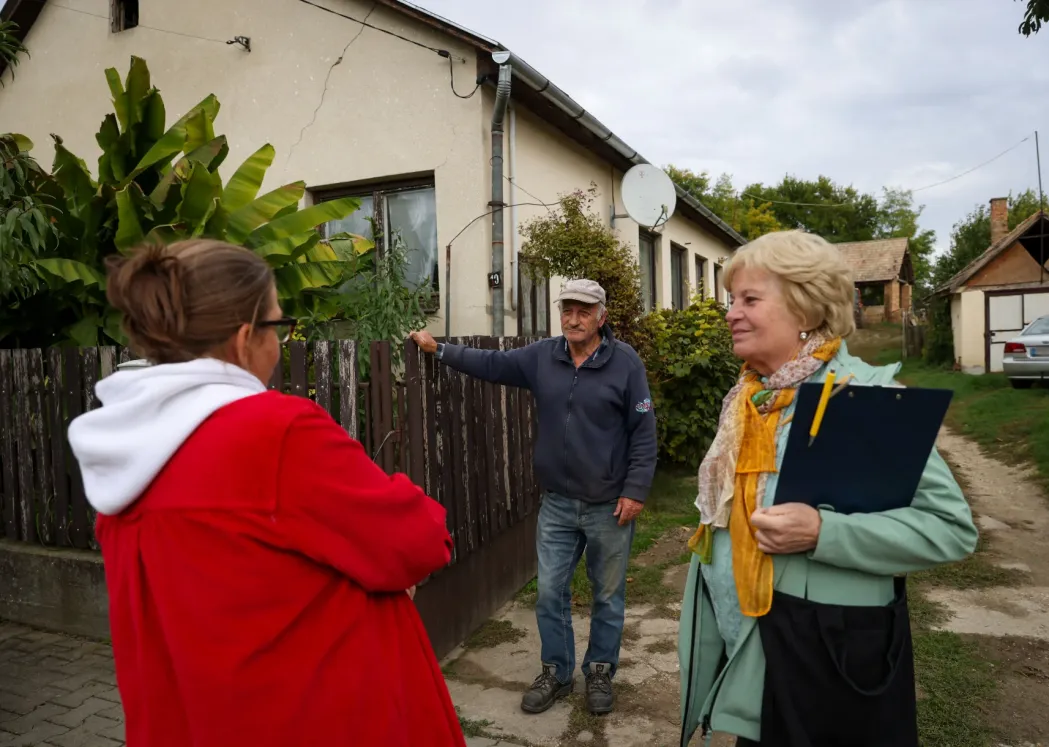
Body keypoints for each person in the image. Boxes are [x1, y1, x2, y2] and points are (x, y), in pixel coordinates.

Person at [68, 240, 464, 747]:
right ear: (242, 339)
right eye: (278, 326)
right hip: (312, 720)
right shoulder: (274, 433)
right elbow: (418, 540)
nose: (280, 345)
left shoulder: (122, 454)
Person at [677, 231, 978, 747]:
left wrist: (823, 532)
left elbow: (951, 530)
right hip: (751, 647)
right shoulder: (749, 401)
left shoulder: (864, 400)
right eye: (732, 300)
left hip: (827, 656)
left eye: (750, 299)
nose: (731, 313)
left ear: (808, 310)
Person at [410, 278, 656, 716]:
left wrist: (635, 490)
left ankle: (599, 670)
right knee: (549, 592)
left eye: (583, 311)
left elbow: (643, 432)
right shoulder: (544, 356)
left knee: (607, 594)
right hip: (558, 503)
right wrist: (440, 350)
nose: (573, 318)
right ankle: (557, 672)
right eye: (567, 310)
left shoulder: (625, 364)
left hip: (608, 504)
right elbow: (492, 363)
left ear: (602, 316)